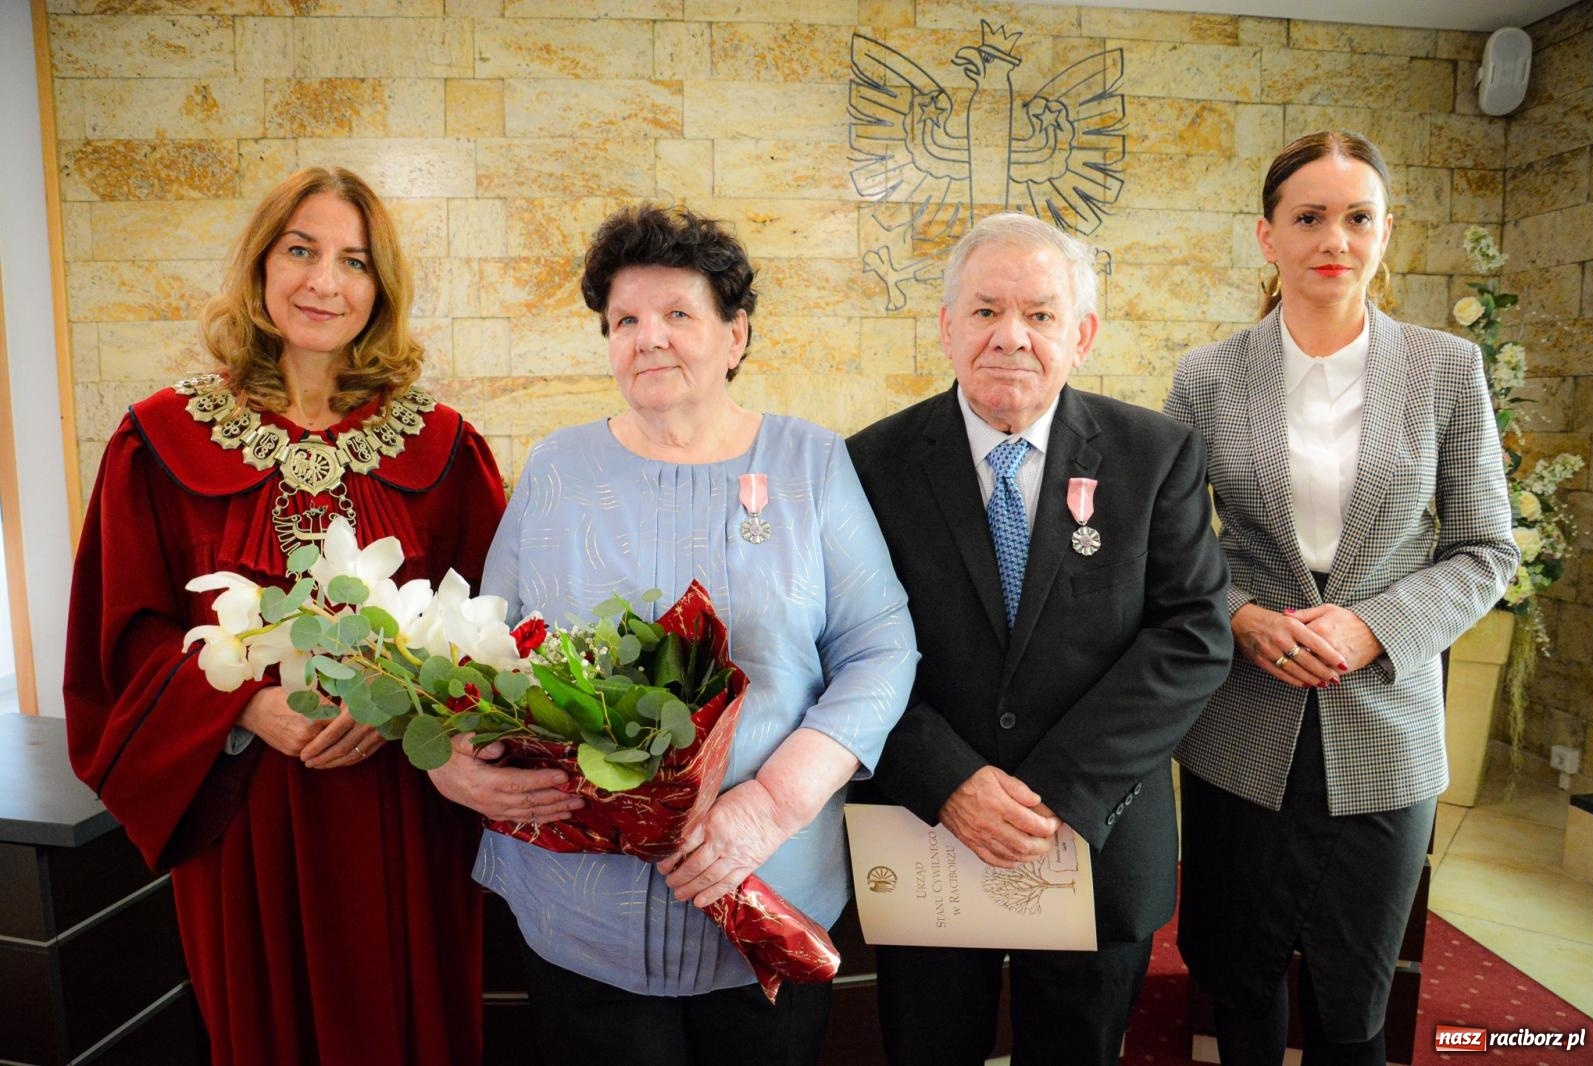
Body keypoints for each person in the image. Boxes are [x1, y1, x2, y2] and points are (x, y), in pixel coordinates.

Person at [426, 203, 918, 1066]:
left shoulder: (810, 463)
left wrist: (771, 805)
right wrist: (455, 762)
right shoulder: (558, 468)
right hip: (580, 904)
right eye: (624, 320)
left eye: (678, 314)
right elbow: (483, 648)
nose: (648, 337)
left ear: (736, 336)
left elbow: (880, 646)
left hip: (765, 886)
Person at [63, 167, 506, 1065]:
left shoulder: (443, 446)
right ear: (262, 265)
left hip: (402, 811)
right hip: (243, 811)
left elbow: (493, 623)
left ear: (380, 287)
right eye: (300, 251)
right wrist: (238, 704)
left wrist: (404, 707)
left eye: (353, 261)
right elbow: (120, 632)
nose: (323, 282)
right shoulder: (158, 439)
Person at [1164, 130, 1519, 1066]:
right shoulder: (1206, 376)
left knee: (1353, 999)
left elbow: (1487, 549)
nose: (1336, 238)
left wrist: (1375, 627)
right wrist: (1238, 616)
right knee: (1238, 983)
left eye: (1358, 217)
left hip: (1388, 731)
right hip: (1242, 729)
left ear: (1386, 233)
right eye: (1309, 216)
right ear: (1266, 237)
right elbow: (1169, 543)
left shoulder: (1446, 370)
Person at [847, 212, 1234, 1066]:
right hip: (928, 836)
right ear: (946, 327)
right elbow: (842, 647)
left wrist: (1056, 791)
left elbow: (1194, 634)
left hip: (1093, 835)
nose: (1010, 337)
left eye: (1041, 314)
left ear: (1083, 334)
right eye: (984, 311)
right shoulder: (870, 465)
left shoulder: (1156, 456)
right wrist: (951, 782)